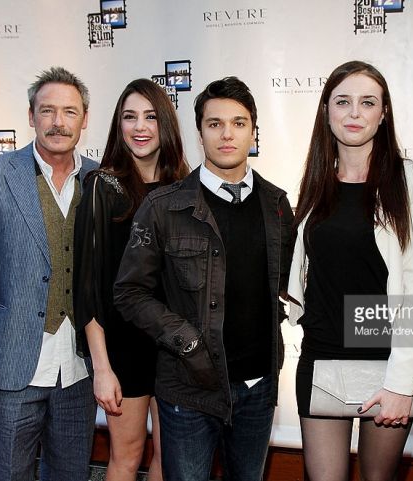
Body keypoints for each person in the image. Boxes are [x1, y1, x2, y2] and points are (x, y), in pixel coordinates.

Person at [113, 76, 293, 481]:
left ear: (253, 131)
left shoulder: (277, 205)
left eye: (238, 123)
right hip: (187, 388)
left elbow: (283, 288)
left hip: (258, 386)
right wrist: (187, 341)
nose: (227, 134)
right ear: (200, 133)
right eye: (215, 124)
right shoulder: (163, 207)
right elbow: (129, 292)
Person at [286, 61, 413, 481]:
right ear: (326, 111)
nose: (354, 113)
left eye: (367, 102)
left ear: (383, 114)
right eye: (343, 102)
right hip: (321, 353)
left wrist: (402, 382)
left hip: (386, 357)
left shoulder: (411, 180)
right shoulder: (317, 180)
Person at [0, 66, 98, 480]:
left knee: (71, 474)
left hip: (79, 369)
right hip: (9, 364)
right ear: (31, 116)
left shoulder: (101, 180)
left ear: (85, 119)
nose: (58, 122)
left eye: (69, 112)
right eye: (47, 110)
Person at [74, 78, 190, 481]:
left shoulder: (184, 188)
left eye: (150, 116)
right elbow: (88, 287)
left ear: (165, 124)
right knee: (127, 455)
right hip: (123, 349)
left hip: (174, 346)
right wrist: (102, 368)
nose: (140, 127)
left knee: (170, 459)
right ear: (118, 125)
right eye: (129, 117)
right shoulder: (101, 186)